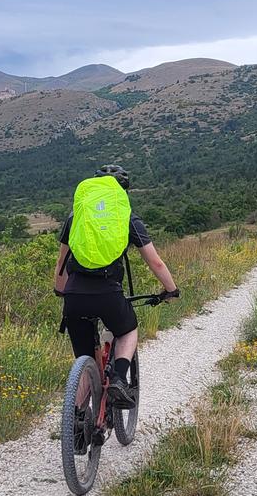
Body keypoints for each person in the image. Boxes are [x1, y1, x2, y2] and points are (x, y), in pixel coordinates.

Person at [54, 164, 179, 410]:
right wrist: (171, 290)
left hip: (74, 295)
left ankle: (77, 423)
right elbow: (155, 261)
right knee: (128, 330)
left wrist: (61, 292)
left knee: (85, 359)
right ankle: (120, 379)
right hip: (108, 292)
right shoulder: (127, 218)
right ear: (122, 192)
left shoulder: (76, 216)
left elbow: (61, 263)